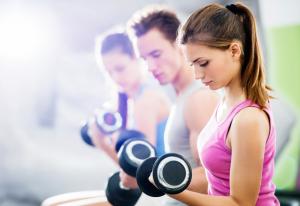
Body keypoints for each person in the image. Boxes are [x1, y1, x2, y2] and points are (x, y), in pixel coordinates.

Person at [160, 3, 279, 205]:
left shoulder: (248, 119)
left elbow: (240, 203)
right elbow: (218, 183)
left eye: (203, 63)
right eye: (193, 65)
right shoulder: (224, 101)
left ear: (234, 50)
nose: (197, 74)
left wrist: (174, 191)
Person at [127, 5, 219, 205]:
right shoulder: (180, 98)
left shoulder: (198, 99)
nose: (150, 67)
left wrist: (158, 180)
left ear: (180, 45)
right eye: (144, 59)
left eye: (156, 55)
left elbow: (212, 178)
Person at [89, 30, 171, 188]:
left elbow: (140, 175)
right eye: (109, 72)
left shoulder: (146, 101)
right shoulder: (126, 99)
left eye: (120, 69)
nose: (115, 78)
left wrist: (102, 144)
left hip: (159, 190)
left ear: (137, 59)